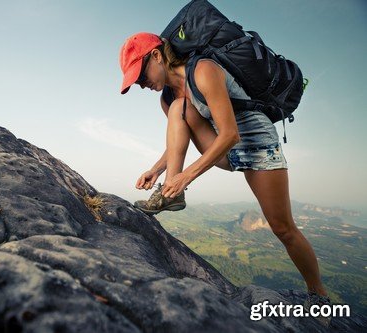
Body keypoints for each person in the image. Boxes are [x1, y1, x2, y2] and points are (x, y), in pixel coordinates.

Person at [119, 32, 331, 326]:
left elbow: (232, 134)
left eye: (140, 75)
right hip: (220, 146)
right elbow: (177, 141)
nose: (142, 84)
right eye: (136, 81)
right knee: (179, 109)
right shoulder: (168, 98)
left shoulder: (203, 69)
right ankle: (169, 195)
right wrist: (158, 170)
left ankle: (318, 294)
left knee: (283, 228)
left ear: (156, 55)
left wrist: (186, 175)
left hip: (255, 144)